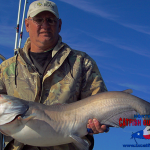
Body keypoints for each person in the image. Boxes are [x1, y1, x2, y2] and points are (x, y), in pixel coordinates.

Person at [0, 0, 108, 150]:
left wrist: (100, 122)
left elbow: (102, 104)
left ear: (59, 25)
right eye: (38, 19)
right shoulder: (6, 68)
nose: (45, 25)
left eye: (50, 20)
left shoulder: (82, 63)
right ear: (27, 24)